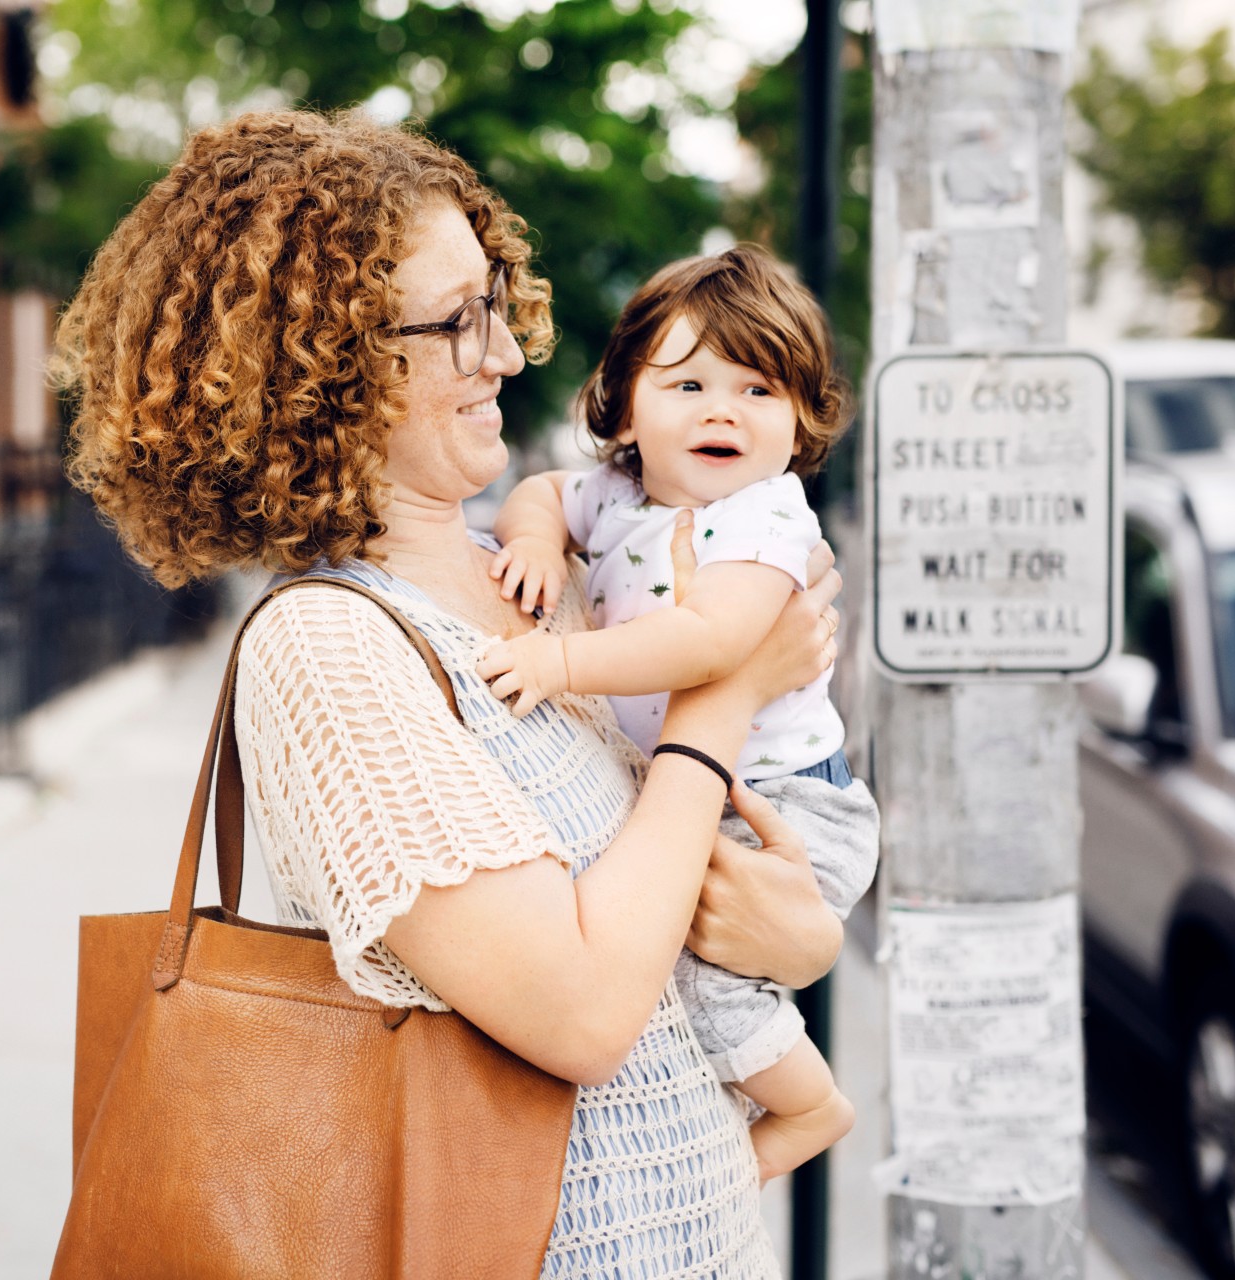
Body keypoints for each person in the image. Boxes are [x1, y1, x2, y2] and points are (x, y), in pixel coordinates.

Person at [55, 109, 865, 1278]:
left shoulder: (542, 580)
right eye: (455, 322)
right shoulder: (332, 652)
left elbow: (667, 918)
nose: (505, 352)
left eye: (495, 302)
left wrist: (799, 932)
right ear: (321, 369)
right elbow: (586, 1010)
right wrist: (725, 693)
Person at [474, 244, 880, 1183]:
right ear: (623, 404)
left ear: (800, 424)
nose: (722, 411)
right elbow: (538, 494)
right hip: (712, 785)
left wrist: (559, 659)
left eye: (758, 391)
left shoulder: (765, 522)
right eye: (689, 383)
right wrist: (536, 540)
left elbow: (709, 644)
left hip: (785, 803)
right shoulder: (617, 497)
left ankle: (809, 1104)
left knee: (701, 978)